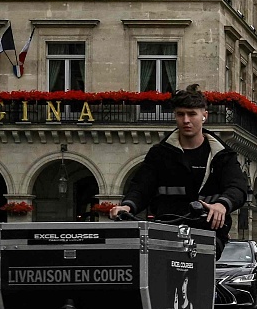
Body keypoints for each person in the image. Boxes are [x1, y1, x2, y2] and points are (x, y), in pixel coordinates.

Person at [104, 86, 249, 239]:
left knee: (202, 259)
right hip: (167, 230)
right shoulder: (160, 153)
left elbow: (238, 187)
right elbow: (141, 187)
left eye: (192, 114)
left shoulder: (222, 155)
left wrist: (222, 204)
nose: (186, 120)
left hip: (209, 230)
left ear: (204, 116)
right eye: (181, 114)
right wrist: (128, 206)